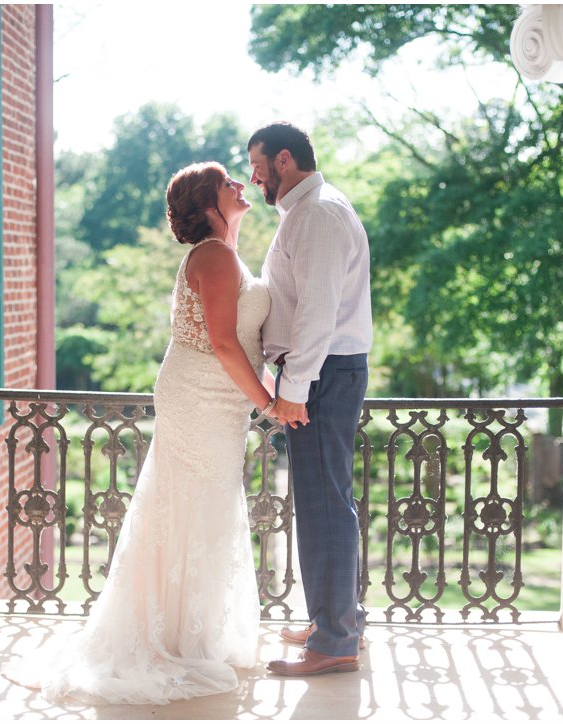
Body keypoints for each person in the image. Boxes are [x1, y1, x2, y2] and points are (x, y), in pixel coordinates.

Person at [4, 162, 275, 704]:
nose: (240, 186)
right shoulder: (215, 256)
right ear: (206, 204)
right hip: (202, 396)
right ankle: (174, 637)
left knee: (200, 505)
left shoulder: (222, 253)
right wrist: (268, 402)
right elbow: (224, 344)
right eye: (229, 184)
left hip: (214, 399)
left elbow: (238, 337)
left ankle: (187, 630)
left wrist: (264, 395)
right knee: (194, 503)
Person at [247, 122, 373, 676]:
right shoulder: (310, 210)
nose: (252, 179)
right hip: (322, 374)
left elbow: (317, 312)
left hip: (322, 376)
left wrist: (293, 391)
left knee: (324, 509)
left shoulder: (318, 214)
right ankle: (337, 621)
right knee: (330, 503)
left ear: (283, 160)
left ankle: (333, 641)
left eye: (256, 166)